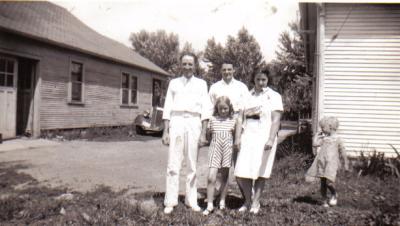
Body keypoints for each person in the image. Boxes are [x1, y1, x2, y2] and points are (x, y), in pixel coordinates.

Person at [161, 53, 209, 214]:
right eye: (185, 64)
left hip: (194, 122)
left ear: (195, 66)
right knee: (173, 163)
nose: (187, 67)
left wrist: (203, 133)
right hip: (177, 120)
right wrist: (166, 131)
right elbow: (167, 107)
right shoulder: (174, 83)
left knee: (192, 164)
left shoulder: (202, 84)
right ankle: (170, 201)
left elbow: (205, 109)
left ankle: (191, 200)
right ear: (180, 65)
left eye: (190, 64)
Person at [234, 69, 283, 214]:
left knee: (261, 170)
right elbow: (239, 119)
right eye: (258, 79)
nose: (261, 83)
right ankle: (247, 201)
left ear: (268, 80)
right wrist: (237, 138)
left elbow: (276, 120)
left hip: (264, 137)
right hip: (248, 135)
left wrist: (271, 139)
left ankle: (256, 203)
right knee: (244, 171)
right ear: (253, 80)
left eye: (264, 80)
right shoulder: (246, 96)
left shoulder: (274, 96)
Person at [207, 62, 250, 198]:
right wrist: (210, 129)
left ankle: (247, 198)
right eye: (224, 69)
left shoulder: (241, 87)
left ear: (234, 70)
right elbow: (210, 109)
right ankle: (219, 195)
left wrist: (240, 131)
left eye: (229, 69)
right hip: (220, 124)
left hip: (237, 123)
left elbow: (245, 109)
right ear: (221, 70)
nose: (227, 72)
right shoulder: (214, 87)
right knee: (220, 164)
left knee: (239, 164)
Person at [203, 96, 241, 215]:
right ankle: (209, 204)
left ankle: (222, 201)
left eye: (225, 108)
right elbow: (209, 137)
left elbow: (236, 136)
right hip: (215, 149)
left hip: (227, 150)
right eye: (220, 109)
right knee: (211, 176)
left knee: (224, 176)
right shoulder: (212, 119)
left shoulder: (233, 121)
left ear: (229, 108)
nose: (223, 111)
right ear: (217, 109)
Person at [305, 116, 349, 207]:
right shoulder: (324, 139)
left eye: (323, 127)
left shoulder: (337, 139)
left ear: (330, 127)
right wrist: (316, 136)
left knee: (329, 182)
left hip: (331, 164)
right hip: (322, 162)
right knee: (323, 183)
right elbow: (314, 144)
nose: (322, 129)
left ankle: (334, 194)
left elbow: (343, 152)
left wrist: (346, 163)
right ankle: (324, 200)